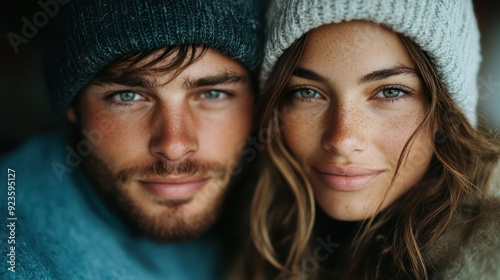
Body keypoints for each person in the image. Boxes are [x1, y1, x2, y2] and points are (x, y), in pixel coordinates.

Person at [0, 0, 263, 279]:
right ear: (73, 107)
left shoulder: (274, 203)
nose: (174, 148)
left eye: (212, 94)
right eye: (128, 96)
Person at [251, 0, 500, 279]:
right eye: (308, 93)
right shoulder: (240, 238)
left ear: (446, 112)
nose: (343, 140)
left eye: (391, 92)